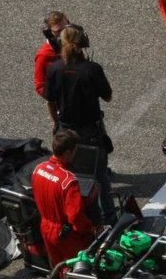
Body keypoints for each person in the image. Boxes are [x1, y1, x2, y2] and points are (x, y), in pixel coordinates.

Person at [45, 25, 115, 222]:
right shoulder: (92, 69)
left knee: (69, 175)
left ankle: (76, 213)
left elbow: (50, 100)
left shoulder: (54, 68)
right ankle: (109, 218)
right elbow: (108, 97)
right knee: (100, 175)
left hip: (65, 130)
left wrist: (57, 124)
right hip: (91, 131)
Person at [32, 130, 96, 266]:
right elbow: (75, 216)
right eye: (75, 151)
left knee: (60, 269)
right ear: (67, 153)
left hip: (45, 227)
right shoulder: (69, 181)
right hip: (65, 235)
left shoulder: (38, 169)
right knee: (77, 272)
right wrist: (91, 229)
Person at [34, 11, 69, 99]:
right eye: (58, 32)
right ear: (49, 33)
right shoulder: (44, 55)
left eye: (66, 28)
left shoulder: (74, 45)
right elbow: (40, 87)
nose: (64, 34)